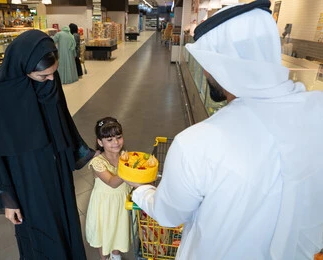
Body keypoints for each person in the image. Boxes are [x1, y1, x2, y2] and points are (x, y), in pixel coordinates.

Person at [129, 1, 323, 260]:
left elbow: (169, 214)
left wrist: (141, 189)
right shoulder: (317, 112)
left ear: (218, 65)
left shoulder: (197, 143)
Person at [0, 29, 95, 259]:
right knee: (41, 228)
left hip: (57, 166)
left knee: (65, 220)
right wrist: (8, 198)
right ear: (24, 66)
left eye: (54, 73)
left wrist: (82, 152)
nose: (51, 79)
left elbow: (63, 118)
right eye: (44, 76)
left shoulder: (50, 79)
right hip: (26, 174)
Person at [86, 117, 131, 260]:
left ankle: (116, 255)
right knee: (104, 233)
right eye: (109, 140)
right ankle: (104, 258)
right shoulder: (98, 162)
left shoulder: (125, 156)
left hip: (122, 203)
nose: (116, 143)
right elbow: (112, 182)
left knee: (119, 231)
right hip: (104, 206)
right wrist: (131, 170)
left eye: (118, 137)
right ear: (100, 142)